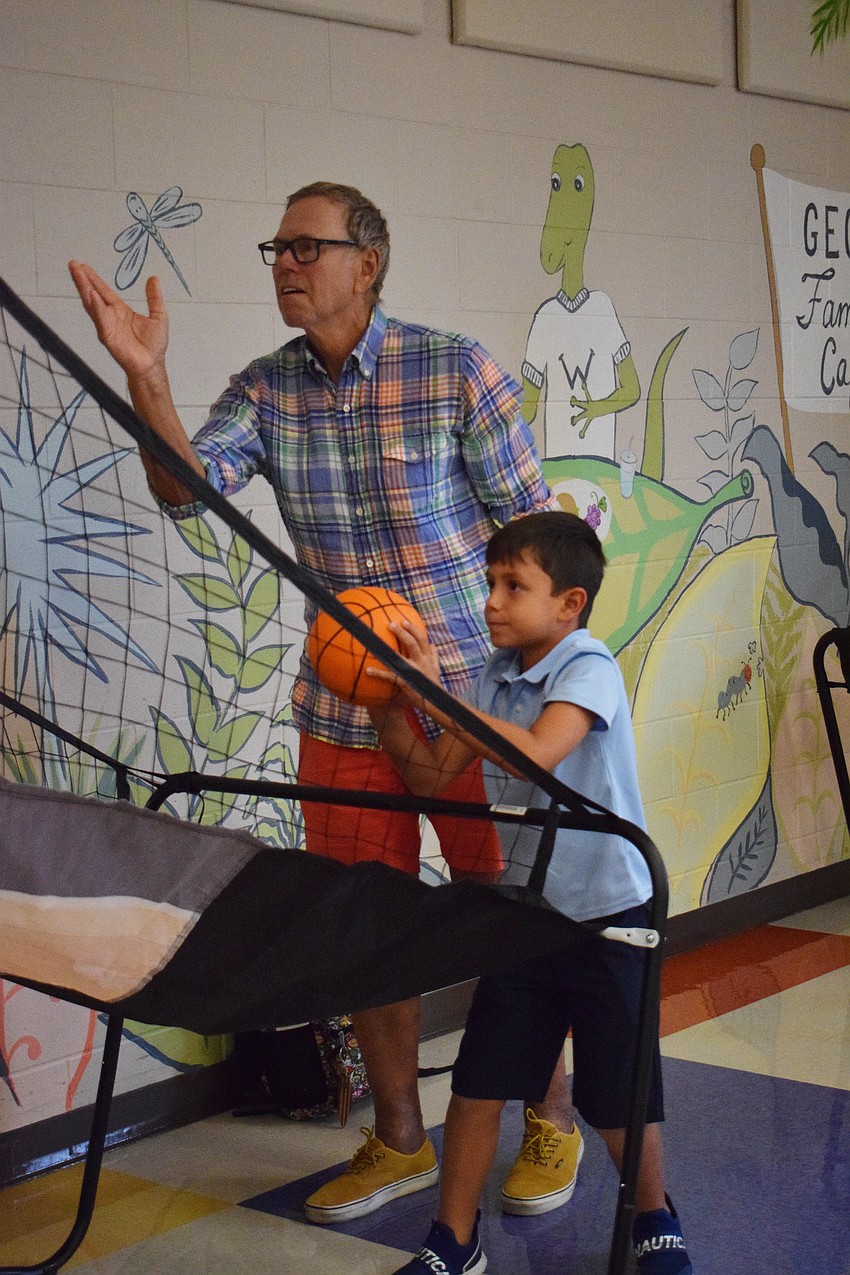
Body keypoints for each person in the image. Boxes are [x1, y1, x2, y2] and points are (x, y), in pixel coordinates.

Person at [67, 181, 560, 1225]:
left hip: (472, 708)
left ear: (366, 262)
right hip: (341, 716)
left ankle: (552, 1117)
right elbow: (183, 490)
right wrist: (147, 377)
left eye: (305, 246)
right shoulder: (265, 388)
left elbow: (542, 539)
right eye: (276, 249)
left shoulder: (454, 369)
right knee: (356, 928)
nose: (285, 263)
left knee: (515, 917)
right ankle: (396, 1141)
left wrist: (543, 697)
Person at [366, 511, 692, 1275]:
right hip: (527, 912)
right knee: (481, 1084)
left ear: (569, 604)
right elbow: (429, 773)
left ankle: (654, 1215)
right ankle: (453, 1240)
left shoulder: (588, 665)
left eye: (515, 586)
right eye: (490, 583)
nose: (492, 601)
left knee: (618, 1096)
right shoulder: (494, 674)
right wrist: (386, 701)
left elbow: (543, 751)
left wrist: (434, 691)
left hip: (611, 913)